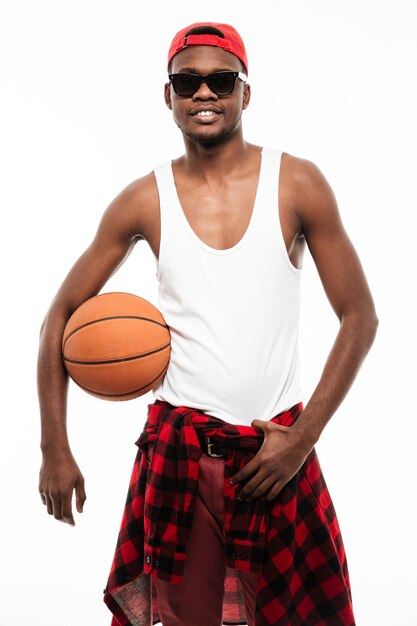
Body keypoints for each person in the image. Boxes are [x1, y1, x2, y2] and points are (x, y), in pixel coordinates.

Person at [37, 21, 378, 626]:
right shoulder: (144, 199)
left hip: (277, 451)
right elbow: (57, 320)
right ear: (167, 96)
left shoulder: (297, 183)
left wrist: (302, 441)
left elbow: (360, 316)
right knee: (184, 619)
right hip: (181, 455)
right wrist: (54, 448)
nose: (204, 94)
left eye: (221, 80)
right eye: (187, 82)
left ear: (245, 92)